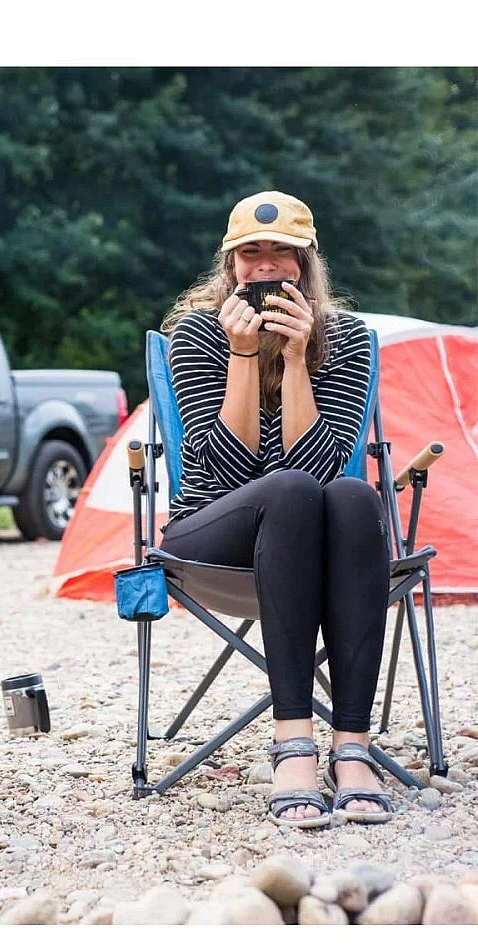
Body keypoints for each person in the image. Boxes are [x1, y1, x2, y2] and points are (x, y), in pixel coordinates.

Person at [159, 191, 394, 828]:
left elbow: (320, 471)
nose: (265, 268)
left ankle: (351, 746)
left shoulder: (343, 338)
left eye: (281, 255)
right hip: (212, 530)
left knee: (350, 494)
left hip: (308, 526)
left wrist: (296, 358)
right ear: (231, 265)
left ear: (305, 264)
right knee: (287, 491)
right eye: (250, 255)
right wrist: (241, 353)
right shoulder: (197, 331)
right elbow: (225, 469)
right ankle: (293, 743)